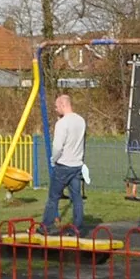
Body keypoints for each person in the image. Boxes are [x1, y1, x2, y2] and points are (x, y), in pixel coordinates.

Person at [42, 93, 87, 233]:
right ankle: (77, 228)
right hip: (77, 165)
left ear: (63, 105)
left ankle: (45, 226)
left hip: (63, 165)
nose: (55, 109)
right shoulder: (81, 121)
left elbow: (57, 147)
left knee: (53, 197)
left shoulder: (61, 124)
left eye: (56, 106)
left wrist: (53, 160)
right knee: (76, 198)